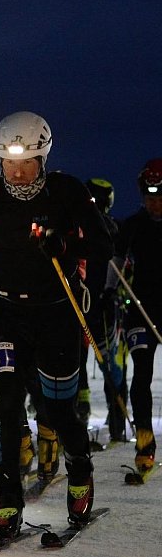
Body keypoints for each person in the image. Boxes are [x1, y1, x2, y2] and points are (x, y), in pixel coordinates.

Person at [0, 111, 112, 543]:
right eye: (9, 163)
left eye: (27, 163)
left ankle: (79, 470)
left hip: (58, 312)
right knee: (5, 407)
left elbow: (104, 244)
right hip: (8, 314)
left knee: (58, 410)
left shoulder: (66, 191)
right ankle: (8, 503)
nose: (18, 173)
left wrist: (64, 243)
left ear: (43, 158)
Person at [110, 160, 162, 476]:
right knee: (141, 372)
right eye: (149, 196)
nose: (154, 203)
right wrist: (107, 290)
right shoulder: (133, 225)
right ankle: (144, 441)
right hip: (141, 309)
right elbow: (114, 260)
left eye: (159, 196)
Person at [78, 177, 127, 441]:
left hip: (103, 303)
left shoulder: (112, 228)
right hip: (82, 301)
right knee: (76, 358)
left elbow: (120, 262)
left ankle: (117, 415)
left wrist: (112, 291)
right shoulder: (80, 225)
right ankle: (81, 408)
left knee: (110, 362)